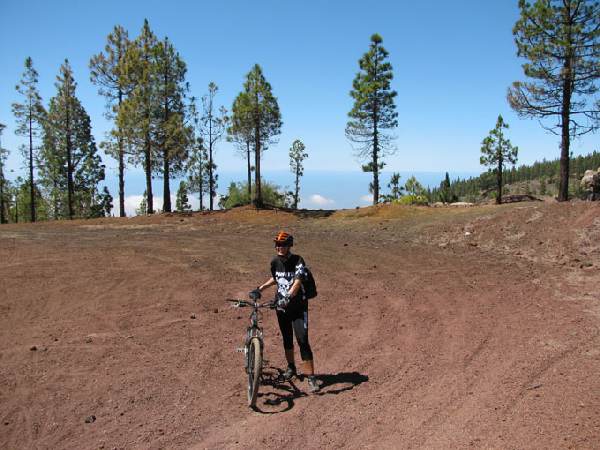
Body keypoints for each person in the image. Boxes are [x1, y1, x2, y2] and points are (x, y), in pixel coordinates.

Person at [252, 231, 320, 392]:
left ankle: (311, 377)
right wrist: (260, 288)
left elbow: (297, 281)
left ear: (290, 246)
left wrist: (288, 297)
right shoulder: (275, 262)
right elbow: (275, 278)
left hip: (298, 308)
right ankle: (291, 368)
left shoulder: (298, 260)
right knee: (287, 339)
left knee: (302, 340)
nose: (279, 247)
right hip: (281, 308)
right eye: (277, 245)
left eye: (283, 245)